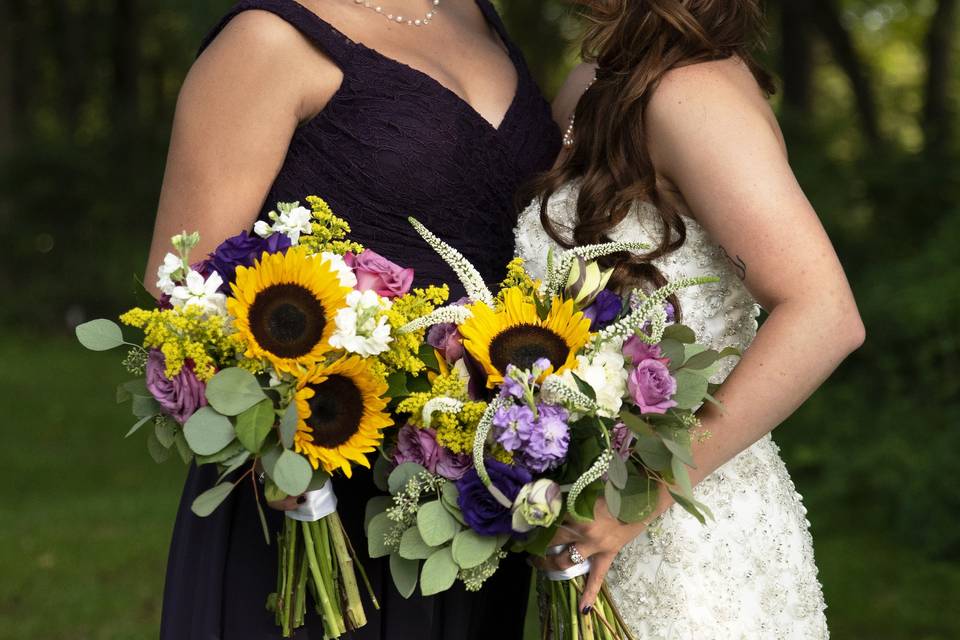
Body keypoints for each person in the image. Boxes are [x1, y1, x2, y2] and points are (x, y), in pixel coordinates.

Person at [142, 0, 561, 637]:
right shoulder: (267, 40)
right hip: (320, 497)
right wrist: (278, 443)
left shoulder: (477, 13)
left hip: (473, 493)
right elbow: (181, 288)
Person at [518, 1, 864, 636]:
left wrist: (644, 493)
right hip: (588, 525)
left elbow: (826, 315)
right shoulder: (595, 78)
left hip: (689, 541)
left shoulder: (694, 96)